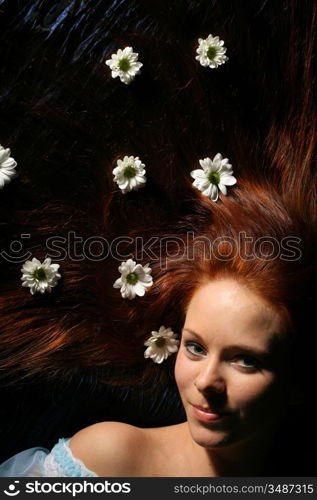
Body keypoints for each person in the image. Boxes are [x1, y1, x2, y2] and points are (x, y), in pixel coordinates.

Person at [0, 0, 316, 476]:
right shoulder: (112, 458)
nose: (207, 381)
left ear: (299, 380)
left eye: (245, 361)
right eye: (194, 347)